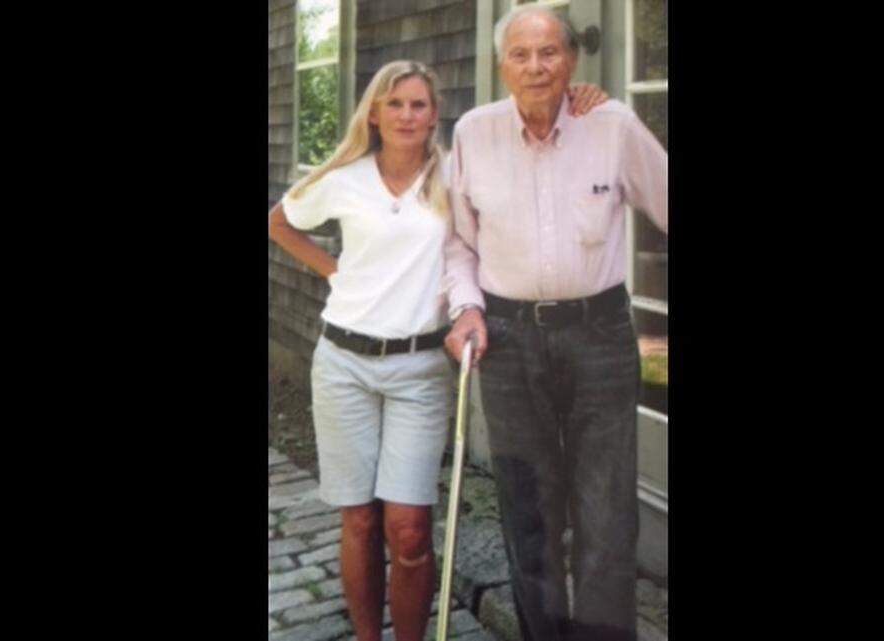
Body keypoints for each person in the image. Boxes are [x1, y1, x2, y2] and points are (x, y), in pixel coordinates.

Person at [267, 60, 608, 641]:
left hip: (420, 368)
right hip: (343, 362)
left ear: (434, 114)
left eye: (418, 104)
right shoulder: (344, 177)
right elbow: (279, 222)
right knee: (358, 518)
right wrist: (335, 272)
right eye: (394, 103)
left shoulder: (454, 176)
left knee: (408, 530)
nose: (406, 115)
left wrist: (574, 103)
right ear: (373, 112)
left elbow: (524, 159)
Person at [441, 5, 669, 641]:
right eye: (521, 54)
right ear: (500, 65)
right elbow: (460, 244)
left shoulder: (613, 125)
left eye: (549, 53)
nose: (536, 67)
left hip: (599, 336)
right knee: (528, 509)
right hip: (509, 341)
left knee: (606, 512)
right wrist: (466, 308)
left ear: (571, 60)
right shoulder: (473, 134)